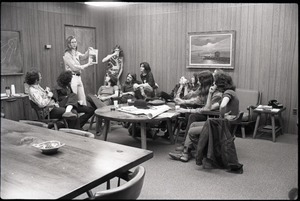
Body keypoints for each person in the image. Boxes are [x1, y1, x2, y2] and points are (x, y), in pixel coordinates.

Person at [169, 71, 239, 164]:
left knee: (192, 124)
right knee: (193, 122)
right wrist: (210, 93)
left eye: (214, 82)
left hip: (220, 125)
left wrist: (222, 115)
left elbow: (216, 107)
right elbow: (205, 104)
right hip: (219, 122)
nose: (212, 84)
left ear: (219, 84)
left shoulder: (225, 93)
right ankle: (186, 151)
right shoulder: (222, 92)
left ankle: (189, 152)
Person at [63, 35, 94, 106]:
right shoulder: (67, 54)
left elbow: (84, 57)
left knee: (82, 99)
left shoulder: (76, 52)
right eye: (72, 42)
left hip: (78, 77)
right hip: (72, 77)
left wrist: (88, 51)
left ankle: (83, 115)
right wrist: (87, 65)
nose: (74, 44)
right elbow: (74, 67)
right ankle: (73, 115)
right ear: (69, 44)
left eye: (75, 42)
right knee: (74, 98)